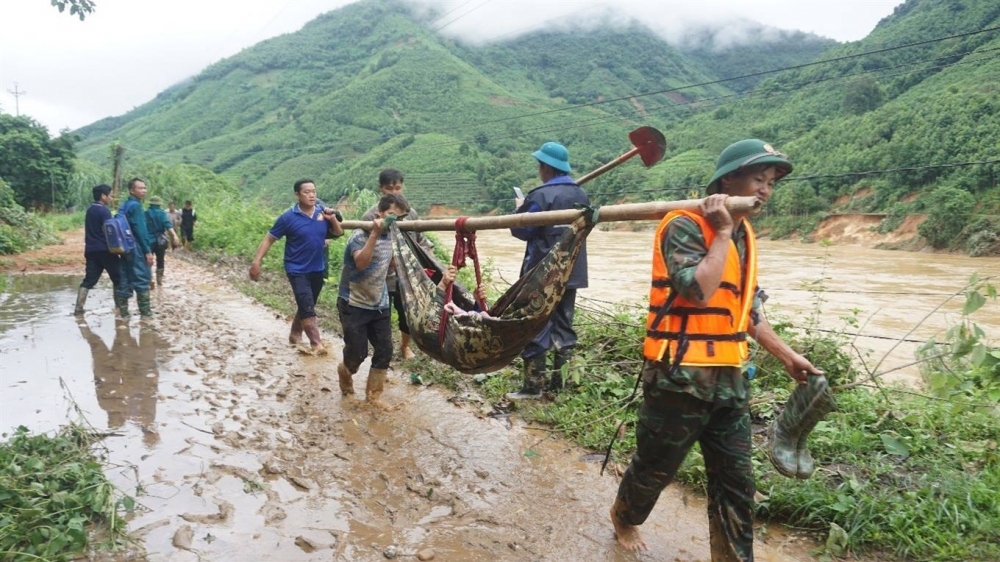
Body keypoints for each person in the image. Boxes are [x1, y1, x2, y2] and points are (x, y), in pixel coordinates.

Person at [609, 139, 823, 560]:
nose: (765, 190)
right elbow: (699, 290)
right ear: (729, 180)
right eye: (758, 179)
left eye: (771, 183)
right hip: (678, 378)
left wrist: (787, 355)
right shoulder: (684, 225)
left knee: (737, 481)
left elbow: (747, 310)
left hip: (730, 379)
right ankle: (624, 515)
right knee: (656, 468)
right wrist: (722, 231)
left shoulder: (743, 236)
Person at [506, 142, 589, 400]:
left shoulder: (539, 196)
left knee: (535, 324)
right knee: (564, 325)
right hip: (572, 273)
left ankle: (533, 386)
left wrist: (520, 207)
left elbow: (521, 230)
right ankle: (559, 386)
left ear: (545, 167)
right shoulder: (581, 195)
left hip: (542, 276)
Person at [249, 179, 343, 355]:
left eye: (314, 191)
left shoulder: (323, 213)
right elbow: (269, 238)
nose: (312, 195)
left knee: (307, 303)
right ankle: (317, 344)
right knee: (307, 306)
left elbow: (338, 233)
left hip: (317, 267)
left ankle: (295, 333)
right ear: (297, 195)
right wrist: (256, 261)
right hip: (296, 269)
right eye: (307, 192)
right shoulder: (288, 217)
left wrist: (332, 220)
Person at [336, 193, 409, 408]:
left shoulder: (395, 237)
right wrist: (375, 234)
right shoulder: (359, 236)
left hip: (380, 302)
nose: (395, 221)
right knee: (358, 352)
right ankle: (345, 377)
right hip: (354, 302)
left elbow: (393, 264)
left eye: (400, 218)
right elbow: (361, 263)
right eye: (391, 216)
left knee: (385, 350)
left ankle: (374, 396)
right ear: (379, 214)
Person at [361, 169, 433, 360]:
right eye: (389, 188)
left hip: (405, 277)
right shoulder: (370, 217)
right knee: (379, 315)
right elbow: (364, 246)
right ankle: (382, 347)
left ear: (402, 187)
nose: (393, 192)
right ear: (381, 189)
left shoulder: (411, 213)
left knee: (406, 314)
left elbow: (421, 241)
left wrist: (431, 263)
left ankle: (404, 346)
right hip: (380, 277)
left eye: (397, 188)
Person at [75, 184, 122, 315]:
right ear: (103, 196)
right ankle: (119, 307)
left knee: (89, 280)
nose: (111, 198)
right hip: (105, 250)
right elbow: (110, 231)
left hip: (91, 250)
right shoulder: (104, 211)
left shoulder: (90, 210)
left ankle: (78, 308)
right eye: (110, 195)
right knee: (118, 277)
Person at [114, 178, 155, 318]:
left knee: (125, 278)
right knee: (142, 278)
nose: (144, 190)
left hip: (124, 247)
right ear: (132, 190)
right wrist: (148, 251)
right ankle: (146, 314)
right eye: (140, 188)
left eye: (144, 188)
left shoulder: (124, 205)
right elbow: (141, 230)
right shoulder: (136, 206)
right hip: (135, 246)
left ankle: (124, 314)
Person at [144, 196, 177, 289]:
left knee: (148, 260)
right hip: (160, 241)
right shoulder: (162, 213)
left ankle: (149, 279)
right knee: (160, 260)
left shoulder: (145, 213)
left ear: (150, 204)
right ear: (159, 204)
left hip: (148, 240)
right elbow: (168, 225)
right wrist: (174, 236)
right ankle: (159, 280)